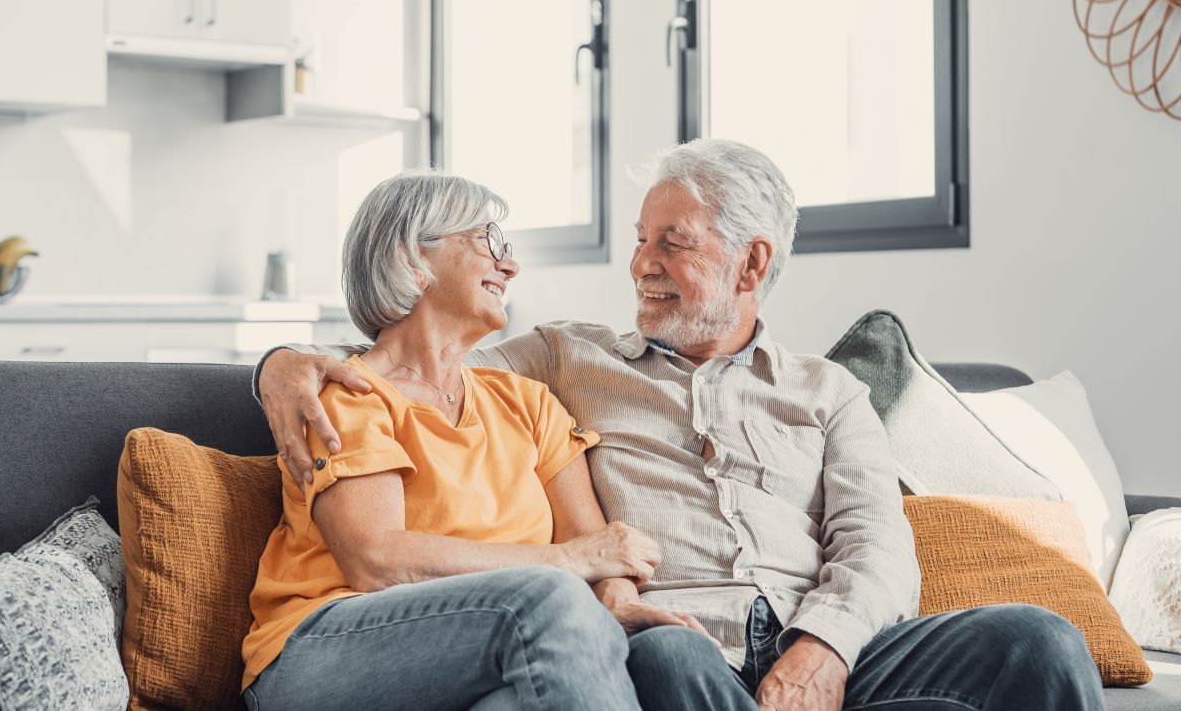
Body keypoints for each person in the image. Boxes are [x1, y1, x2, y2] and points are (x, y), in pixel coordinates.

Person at [257, 138, 1106, 711]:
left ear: (752, 261)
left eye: (672, 242)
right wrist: (282, 360)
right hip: (686, 645)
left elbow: (877, 547)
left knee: (1038, 641)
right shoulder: (565, 361)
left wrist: (825, 648)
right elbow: (408, 362)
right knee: (669, 660)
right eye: (638, 239)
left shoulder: (830, 391)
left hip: (824, 638)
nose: (642, 264)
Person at [241, 170, 714, 711]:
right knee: (551, 601)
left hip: (479, 657)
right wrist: (562, 562)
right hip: (323, 651)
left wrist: (620, 602)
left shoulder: (528, 403)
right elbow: (375, 559)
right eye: (488, 242)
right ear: (412, 259)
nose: (509, 265)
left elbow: (597, 552)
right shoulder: (349, 395)